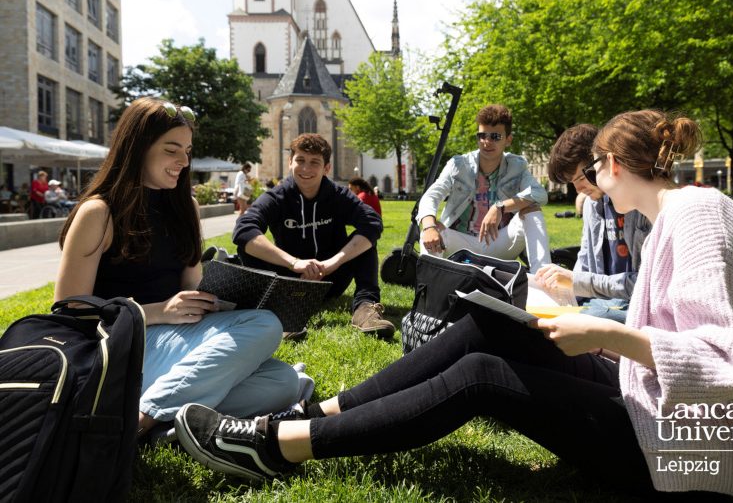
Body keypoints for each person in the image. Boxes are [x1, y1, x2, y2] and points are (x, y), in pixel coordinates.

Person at [175, 109, 733, 499]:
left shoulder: (699, 219)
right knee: (486, 326)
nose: (587, 185)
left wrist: (600, 332)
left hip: (692, 454)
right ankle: (323, 410)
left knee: (483, 376)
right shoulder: (685, 215)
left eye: (593, 169)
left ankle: (276, 445)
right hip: (651, 403)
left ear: (614, 165)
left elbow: (721, 363)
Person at [55, 98, 300, 441]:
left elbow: (191, 288)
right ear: (138, 147)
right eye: (172, 149)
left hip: (173, 345)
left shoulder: (186, 206)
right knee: (265, 327)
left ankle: (160, 422)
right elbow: (70, 312)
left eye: (187, 150)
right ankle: (140, 421)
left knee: (284, 381)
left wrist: (223, 299)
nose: (184, 161)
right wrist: (158, 312)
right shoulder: (99, 212)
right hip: (122, 347)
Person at [233, 133, 394, 338]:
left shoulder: (337, 195)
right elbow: (244, 228)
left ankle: (365, 309)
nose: (306, 169)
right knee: (247, 246)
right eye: (300, 160)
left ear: (327, 168)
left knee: (365, 241)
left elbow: (372, 222)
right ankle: (280, 311)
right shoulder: (277, 196)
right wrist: (294, 263)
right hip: (288, 279)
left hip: (330, 278)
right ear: (290, 162)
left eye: (314, 162)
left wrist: (332, 263)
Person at [535, 124, 653, 322]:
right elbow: (585, 261)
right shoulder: (592, 205)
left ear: (602, 163)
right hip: (600, 302)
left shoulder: (640, 204)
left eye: (581, 177)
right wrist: (563, 292)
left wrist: (578, 282)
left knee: (581, 319)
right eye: (572, 182)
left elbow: (646, 285)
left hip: (634, 306)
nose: (579, 188)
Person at [417, 104, 550, 273]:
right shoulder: (459, 164)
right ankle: (430, 291)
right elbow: (431, 196)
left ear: (508, 140)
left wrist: (500, 207)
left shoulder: (517, 165)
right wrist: (429, 227)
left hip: (499, 243)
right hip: (460, 242)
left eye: (495, 136)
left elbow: (539, 194)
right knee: (429, 231)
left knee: (532, 212)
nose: (487, 142)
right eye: (482, 135)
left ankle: (543, 278)